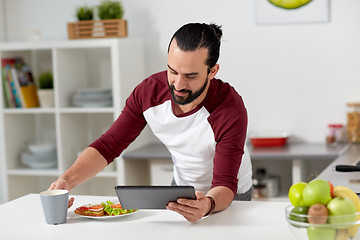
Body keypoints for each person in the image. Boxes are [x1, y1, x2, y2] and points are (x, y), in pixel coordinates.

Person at [49, 22, 252, 223]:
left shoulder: (230, 110)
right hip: (181, 188)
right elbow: (108, 146)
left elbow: (225, 182)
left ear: (212, 71)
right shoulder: (148, 93)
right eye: (172, 71)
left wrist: (207, 205)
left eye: (190, 76)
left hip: (227, 196)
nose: (179, 85)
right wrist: (66, 181)